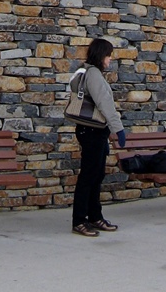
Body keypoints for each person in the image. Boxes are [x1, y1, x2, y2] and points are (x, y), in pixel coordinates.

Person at [69, 37, 126, 237]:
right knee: (89, 176)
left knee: (96, 175)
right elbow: (104, 103)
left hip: (91, 130)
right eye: (108, 55)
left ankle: (94, 216)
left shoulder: (85, 71)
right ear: (101, 55)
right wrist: (117, 129)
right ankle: (80, 220)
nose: (110, 60)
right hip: (93, 130)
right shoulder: (93, 74)